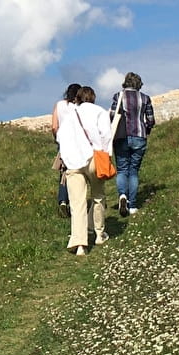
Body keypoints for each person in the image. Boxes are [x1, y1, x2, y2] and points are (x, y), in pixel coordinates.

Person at [56, 85, 112, 255]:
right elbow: (106, 135)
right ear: (93, 97)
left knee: (77, 203)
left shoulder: (70, 115)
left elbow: (60, 137)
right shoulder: (99, 112)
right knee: (97, 196)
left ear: (77, 98)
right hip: (93, 157)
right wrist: (107, 157)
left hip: (72, 161)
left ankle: (80, 244)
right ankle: (99, 234)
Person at [109, 72, 156, 217]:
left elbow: (111, 114)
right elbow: (151, 119)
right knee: (133, 170)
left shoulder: (119, 96)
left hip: (121, 136)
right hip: (139, 136)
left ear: (125, 82)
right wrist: (146, 130)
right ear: (138, 84)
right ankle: (133, 205)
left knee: (122, 169)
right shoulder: (145, 98)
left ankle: (123, 196)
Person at [50, 83, 81, 217]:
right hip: (78, 143)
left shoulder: (60, 105)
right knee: (76, 173)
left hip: (63, 142)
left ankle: (63, 201)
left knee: (63, 173)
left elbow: (54, 126)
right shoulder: (80, 107)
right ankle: (75, 201)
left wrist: (58, 138)